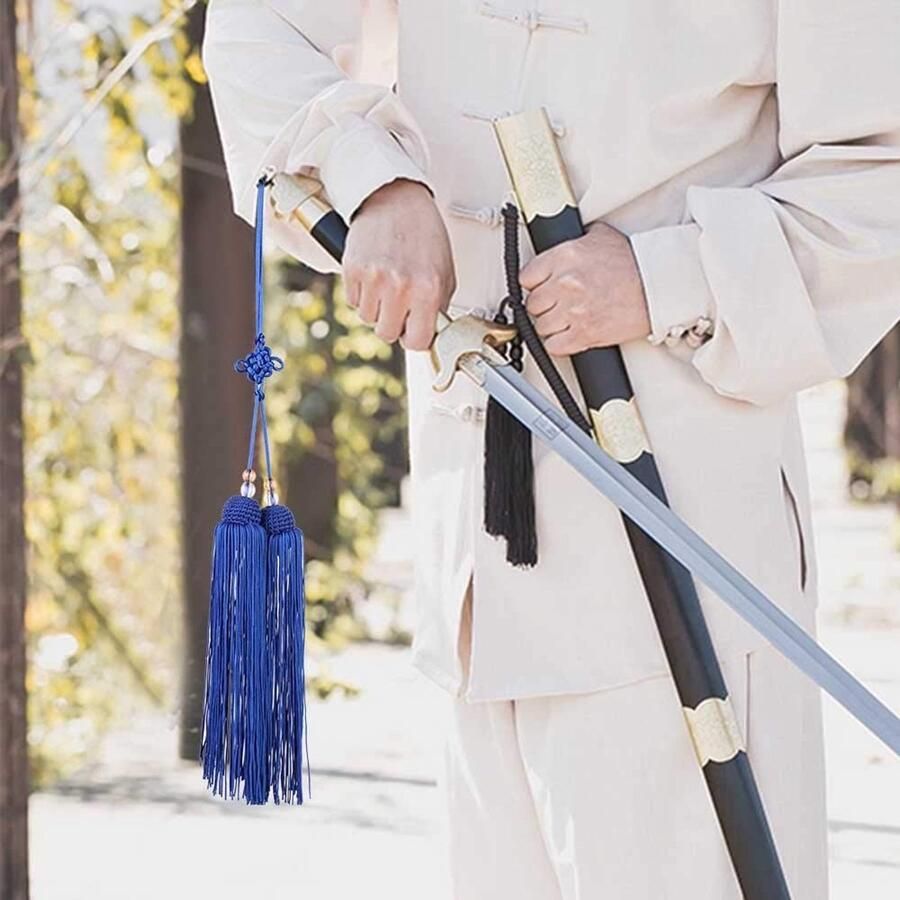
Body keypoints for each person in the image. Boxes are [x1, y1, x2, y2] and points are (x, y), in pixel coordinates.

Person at [202, 2, 900, 897]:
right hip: (475, 563)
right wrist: (371, 178)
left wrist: (664, 277)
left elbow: (879, 175)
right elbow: (262, 28)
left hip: (682, 545)